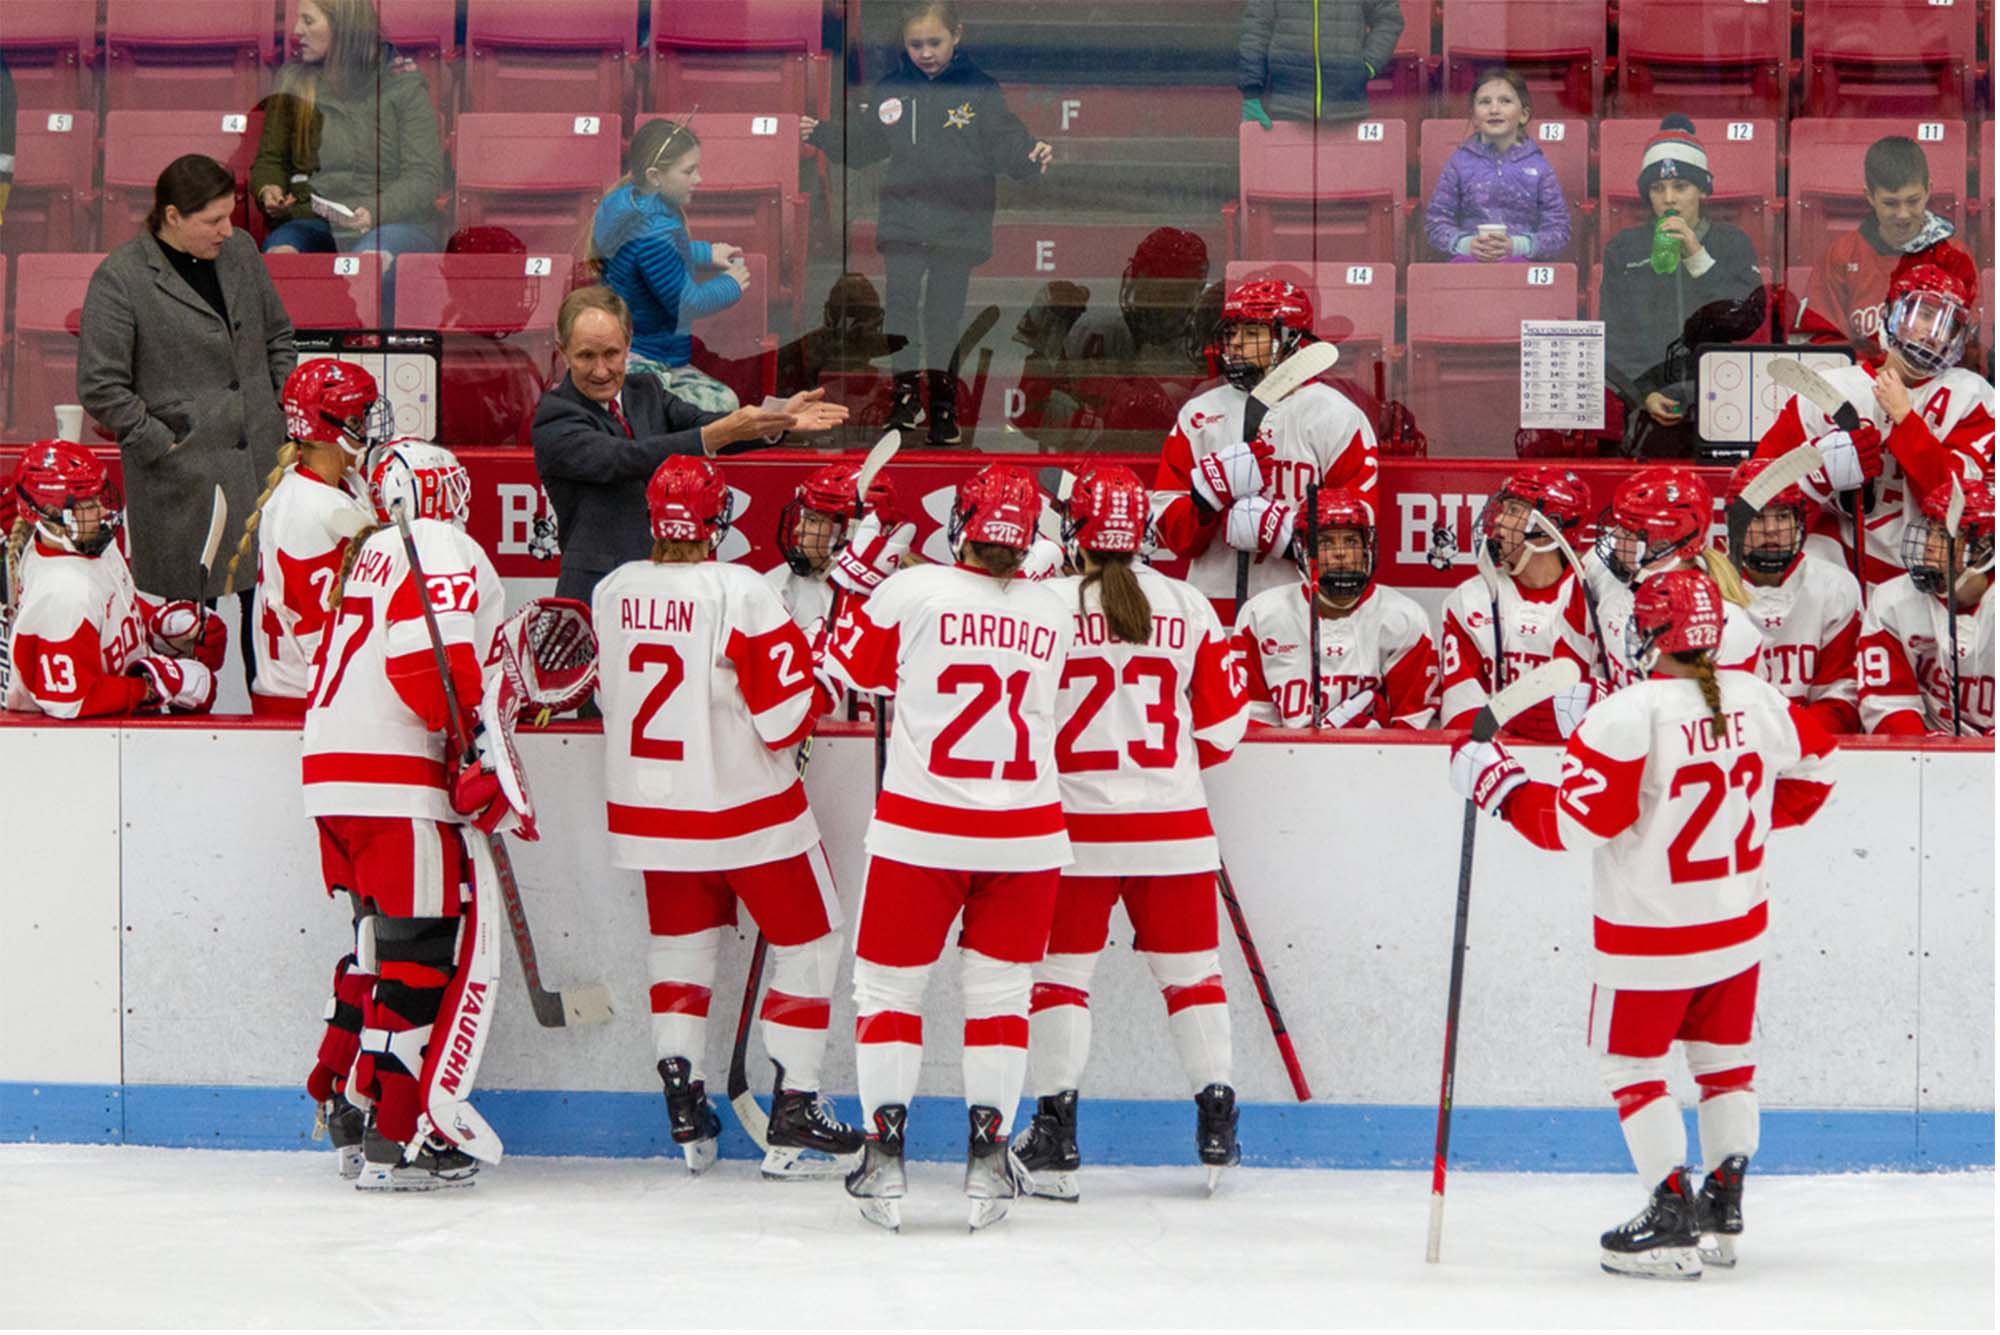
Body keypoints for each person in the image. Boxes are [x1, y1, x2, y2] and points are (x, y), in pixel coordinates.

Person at [1449, 568, 1836, 1279]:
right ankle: (1723, 1200)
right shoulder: (1756, 697)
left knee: (1633, 1066)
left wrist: (1498, 784)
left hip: (1650, 936)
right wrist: (1746, 823)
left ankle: (1669, 1211)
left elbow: (1571, 824)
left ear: (1654, 633)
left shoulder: (1628, 713)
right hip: (1737, 925)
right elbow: (1819, 768)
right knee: (1724, 1061)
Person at [590, 455, 870, 1177]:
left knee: (681, 952)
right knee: (812, 943)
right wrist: (816, 679)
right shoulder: (741, 589)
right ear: (717, 520)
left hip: (652, 814)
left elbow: (615, 700)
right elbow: (783, 720)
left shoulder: (614, 589)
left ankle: (683, 1097)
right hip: (749, 812)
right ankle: (797, 1103)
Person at [817, 464, 1073, 1233]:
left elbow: (848, 672)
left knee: (888, 995)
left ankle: (885, 1153)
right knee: (1000, 1000)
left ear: (961, 522)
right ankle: (989, 1155)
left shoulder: (913, 590)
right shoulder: (1054, 610)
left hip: (921, 827)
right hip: (1026, 835)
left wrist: (858, 583)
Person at [1009, 465, 1250, 1200]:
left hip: (1072, 828)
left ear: (1075, 528)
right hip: (1174, 825)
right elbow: (1224, 730)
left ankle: (1055, 1131)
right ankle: (1216, 1118)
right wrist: (1168, 772)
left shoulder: (1041, 604)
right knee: (1193, 980)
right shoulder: (1186, 604)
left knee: (1059, 981)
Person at [301, 441, 513, 1190]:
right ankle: (403, 1133)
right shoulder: (438, 542)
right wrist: (468, 755)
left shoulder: (368, 552)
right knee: (418, 959)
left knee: (372, 951)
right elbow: (432, 660)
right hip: (397, 784)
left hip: (332, 783)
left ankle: (345, 1106)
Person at [77, 153, 297, 670]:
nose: (228, 230)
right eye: (213, 220)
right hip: (183, 485)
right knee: (188, 643)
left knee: (269, 634)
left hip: (263, 469)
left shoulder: (241, 251)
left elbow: (278, 336)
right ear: (172, 216)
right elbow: (100, 384)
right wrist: (161, 441)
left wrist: (279, 403)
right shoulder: (121, 278)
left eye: (229, 215)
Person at [802, 1, 1052, 445]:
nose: (925, 52)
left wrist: (1028, 157)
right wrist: (822, 133)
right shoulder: (892, 87)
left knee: (942, 314)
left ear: (957, 34)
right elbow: (865, 145)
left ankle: (941, 400)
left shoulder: (980, 88)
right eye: (915, 44)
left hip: (958, 222)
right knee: (899, 305)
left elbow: (1004, 142)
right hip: (904, 217)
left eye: (934, 42)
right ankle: (904, 395)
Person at [531, 286, 847, 606]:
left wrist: (776, 419)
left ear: (628, 344)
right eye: (586, 355)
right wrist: (715, 435)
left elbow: (698, 421)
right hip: (595, 595)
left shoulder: (646, 389)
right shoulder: (554, 416)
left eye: (611, 353)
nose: (601, 370)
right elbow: (625, 458)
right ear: (562, 350)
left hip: (665, 589)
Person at [1756, 262, 1995, 597]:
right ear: (1891, 311)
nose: (1932, 333)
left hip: (1935, 578)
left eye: (1948, 326)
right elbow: (1756, 491)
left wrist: (1905, 420)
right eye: (1924, 315)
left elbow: (1960, 503)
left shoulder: (1974, 397)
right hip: (1840, 564)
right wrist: (1819, 475)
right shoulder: (1829, 389)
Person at [1150, 280, 1380, 618]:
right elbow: (1172, 535)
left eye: (1252, 334)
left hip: (1304, 616)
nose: (1236, 345)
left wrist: (1289, 538)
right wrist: (1204, 501)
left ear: (1290, 340)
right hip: (1213, 611)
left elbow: (1361, 538)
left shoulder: (1336, 416)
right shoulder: (1199, 415)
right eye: (1231, 334)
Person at [4, 441, 225, 718]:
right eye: (86, 504)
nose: (102, 511)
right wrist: (152, 687)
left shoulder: (90, 540)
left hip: (120, 729)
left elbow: (114, 607)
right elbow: (73, 701)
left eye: (99, 497)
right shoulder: (61, 594)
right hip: (87, 750)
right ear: (46, 515)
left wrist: (159, 627)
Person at [252, 0, 442, 317]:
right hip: (311, 220)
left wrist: (374, 211)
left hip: (390, 223)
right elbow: (270, 160)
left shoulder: (403, 85)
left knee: (367, 266)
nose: (297, 31)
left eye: (309, 21)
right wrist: (267, 188)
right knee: (280, 258)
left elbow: (423, 177)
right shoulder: (292, 79)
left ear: (343, 29)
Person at [227, 359, 384, 716]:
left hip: (315, 690)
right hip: (303, 701)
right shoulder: (308, 510)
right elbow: (320, 633)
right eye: (361, 417)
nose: (369, 425)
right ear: (337, 427)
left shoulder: (338, 483)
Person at [1600, 116, 1764, 457]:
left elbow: (1747, 319)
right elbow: (1613, 336)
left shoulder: (1732, 243)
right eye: (1658, 189)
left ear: (1703, 190)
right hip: (1649, 406)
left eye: (1681, 187)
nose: (1669, 199)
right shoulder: (1624, 248)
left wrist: (1697, 257)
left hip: (1724, 399)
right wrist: (1643, 393)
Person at [1234, 487, 1437, 728]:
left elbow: (1412, 726)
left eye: (1350, 541)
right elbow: (1252, 725)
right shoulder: (1260, 616)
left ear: (1366, 548)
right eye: (1326, 542)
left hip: (1374, 762)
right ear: (1304, 551)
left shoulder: (1404, 618)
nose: (1341, 553)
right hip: (1284, 762)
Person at [590, 118, 752, 414]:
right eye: (689, 171)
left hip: (636, 348)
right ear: (655, 176)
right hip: (646, 361)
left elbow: (647, 256)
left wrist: (704, 253)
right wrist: (731, 284)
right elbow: (687, 303)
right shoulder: (655, 233)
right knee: (722, 406)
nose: (698, 179)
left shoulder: (628, 204)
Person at [1016, 228, 1214, 450]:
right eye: (1148, 288)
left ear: (1195, 292)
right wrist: (1047, 347)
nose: (1155, 303)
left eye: (1170, 293)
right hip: (1085, 477)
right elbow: (1029, 418)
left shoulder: (1206, 350)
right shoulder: (1093, 334)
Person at [1438, 468, 1600, 737]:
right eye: (1503, 509)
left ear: (1550, 528)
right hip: (1495, 762)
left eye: (1513, 510)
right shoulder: (1467, 600)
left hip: (1573, 757)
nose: (1499, 520)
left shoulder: (1594, 598)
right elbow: (1461, 713)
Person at [1796, 135, 1979, 355]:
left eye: (1912, 201)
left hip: (1932, 383)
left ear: (1928, 191)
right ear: (1870, 197)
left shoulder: (1955, 257)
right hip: (1861, 383)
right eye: (1890, 203)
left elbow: (1965, 344)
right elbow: (1823, 344)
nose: (1903, 215)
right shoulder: (1841, 255)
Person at [1583, 466, 1763, 689]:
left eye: (1627, 532)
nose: (1614, 537)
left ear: (1663, 547)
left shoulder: (1725, 628)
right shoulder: (1605, 567)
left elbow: (1701, 718)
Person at [1723, 458, 1863, 734]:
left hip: (1811, 747)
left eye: (1783, 516)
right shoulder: (1708, 591)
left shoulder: (1834, 587)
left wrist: (1791, 738)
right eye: (1758, 516)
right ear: (1735, 524)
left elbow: (1842, 698)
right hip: (1737, 747)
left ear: (1799, 522)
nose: (1772, 529)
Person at [1858, 478, 1994, 735]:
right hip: (1925, 756)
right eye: (1930, 530)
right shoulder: (1893, 601)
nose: (1929, 545)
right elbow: (1887, 702)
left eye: (1944, 535)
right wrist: (1923, 756)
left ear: (1984, 549)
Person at [1423, 68, 1571, 262]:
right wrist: (1467, 244)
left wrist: (1517, 246)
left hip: (1521, 265)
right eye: (1485, 102)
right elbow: (1435, 223)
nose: (1494, 109)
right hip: (1468, 262)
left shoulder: (1539, 167)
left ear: (1524, 115)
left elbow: (1559, 230)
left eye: (1505, 101)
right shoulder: (1458, 163)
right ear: (1474, 118)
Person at [769, 460, 901, 636]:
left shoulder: (899, 594)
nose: (797, 530)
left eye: (813, 521)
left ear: (853, 530)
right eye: (803, 518)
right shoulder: (778, 587)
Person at [1238, 0, 1404, 126]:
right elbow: (1256, 30)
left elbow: (1388, 19)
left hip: (1347, 109)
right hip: (1285, 110)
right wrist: (1251, 90)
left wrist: (1368, 65)